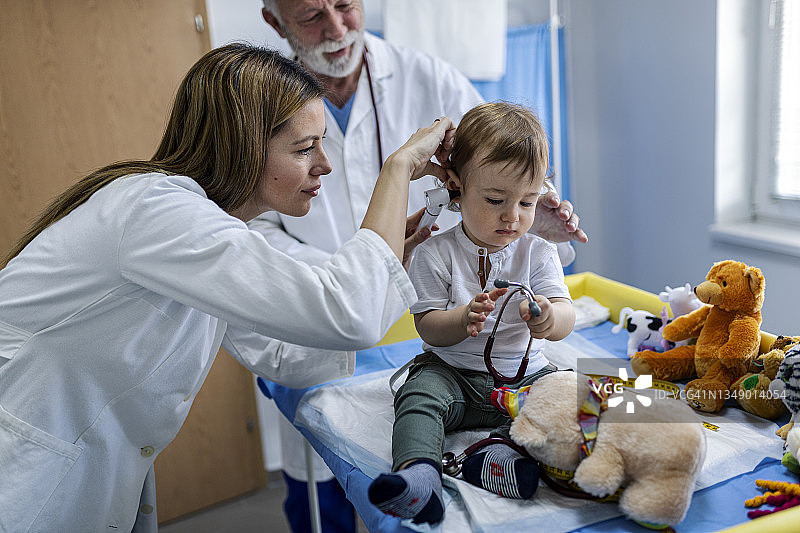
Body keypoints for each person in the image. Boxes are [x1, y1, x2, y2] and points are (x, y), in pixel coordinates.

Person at [0, 43, 457, 532]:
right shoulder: (160, 212)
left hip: (85, 465)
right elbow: (345, 311)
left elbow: (279, 352)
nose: (324, 165)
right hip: (25, 466)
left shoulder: (207, 230)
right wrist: (399, 168)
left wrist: (394, 265)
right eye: (305, 149)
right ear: (241, 145)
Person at [255, 1, 588, 529]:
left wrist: (541, 208)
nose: (337, 28)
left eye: (345, 5)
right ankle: (417, 474)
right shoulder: (260, 110)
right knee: (323, 493)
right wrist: (352, 276)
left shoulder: (428, 78)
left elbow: (509, 160)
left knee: (576, 400)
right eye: (312, 15)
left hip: (508, 368)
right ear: (275, 23)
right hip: (323, 319)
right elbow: (254, 228)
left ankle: (543, 459)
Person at [367, 102, 576, 524]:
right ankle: (419, 476)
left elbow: (565, 315)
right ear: (457, 189)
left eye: (528, 202)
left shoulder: (538, 252)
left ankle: (493, 457)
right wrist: (461, 320)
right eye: (496, 199)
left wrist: (549, 320)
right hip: (452, 375)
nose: (512, 217)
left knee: (564, 399)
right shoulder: (434, 251)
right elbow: (427, 326)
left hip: (523, 377)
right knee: (418, 396)